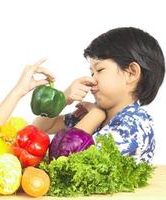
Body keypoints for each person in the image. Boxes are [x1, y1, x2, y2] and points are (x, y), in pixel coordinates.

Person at [33, 27, 165, 163]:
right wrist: (63, 99)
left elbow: (65, 161)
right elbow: (38, 130)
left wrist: (96, 115)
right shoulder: (92, 114)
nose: (91, 80)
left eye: (100, 70)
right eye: (91, 73)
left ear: (131, 73)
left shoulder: (134, 125)